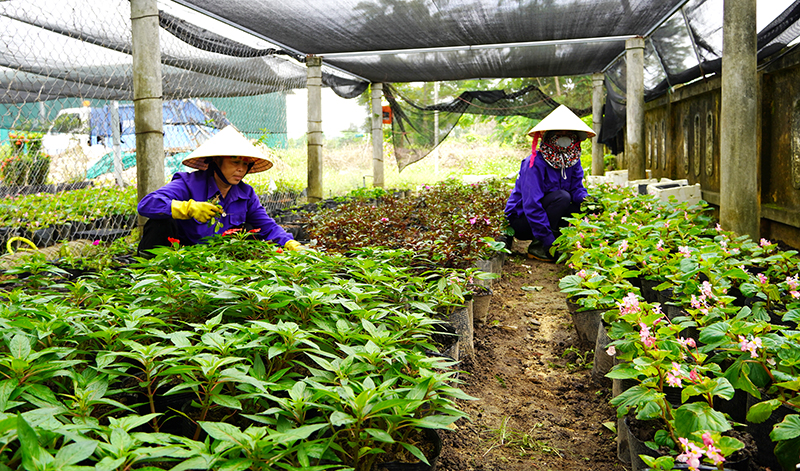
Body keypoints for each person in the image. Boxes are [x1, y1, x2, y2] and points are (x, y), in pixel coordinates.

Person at [137, 125, 302, 255]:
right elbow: (147, 204)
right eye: (235, 162)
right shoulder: (188, 183)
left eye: (245, 164)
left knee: (252, 229)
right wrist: (187, 208)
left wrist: (289, 243)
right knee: (160, 222)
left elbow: (266, 226)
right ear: (216, 160)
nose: (241, 169)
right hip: (182, 257)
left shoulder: (246, 194)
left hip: (220, 260)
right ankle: (149, 273)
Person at [504, 105, 595, 262]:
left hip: (548, 213)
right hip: (523, 221)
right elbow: (531, 205)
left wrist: (588, 201)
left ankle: (563, 242)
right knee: (562, 197)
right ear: (548, 136)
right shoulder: (533, 163)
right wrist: (548, 241)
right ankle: (539, 245)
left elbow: (577, 188)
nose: (564, 137)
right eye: (559, 133)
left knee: (580, 206)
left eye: (569, 133)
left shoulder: (572, 161)